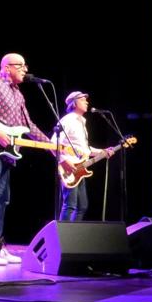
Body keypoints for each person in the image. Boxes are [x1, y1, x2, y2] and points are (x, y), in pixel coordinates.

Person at [0, 53, 63, 266]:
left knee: (2, 199)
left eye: (25, 66)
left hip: (7, 152)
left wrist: (51, 147)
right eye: (21, 66)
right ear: (7, 67)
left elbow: (28, 126)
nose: (25, 69)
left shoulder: (18, 94)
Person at [51, 91, 114, 221]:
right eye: (83, 99)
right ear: (74, 103)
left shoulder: (81, 122)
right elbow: (53, 143)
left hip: (79, 168)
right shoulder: (68, 120)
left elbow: (84, 149)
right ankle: (63, 237)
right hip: (69, 168)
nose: (87, 102)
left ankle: (73, 235)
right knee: (70, 205)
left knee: (82, 206)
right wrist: (63, 161)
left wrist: (102, 151)